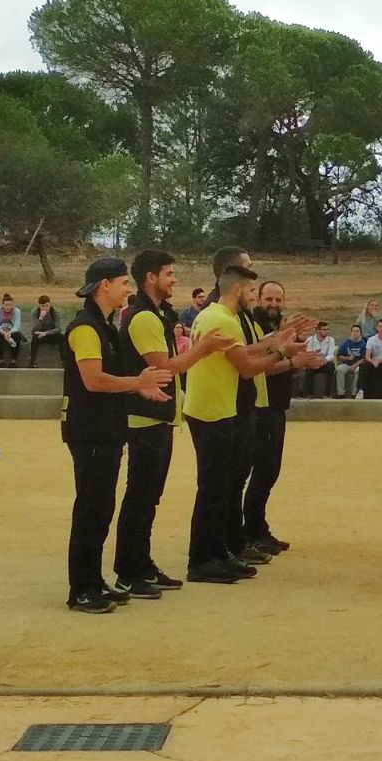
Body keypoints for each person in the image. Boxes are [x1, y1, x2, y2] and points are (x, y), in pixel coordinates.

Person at [112, 249, 234, 600]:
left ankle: (141, 563)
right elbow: (164, 366)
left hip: (157, 416)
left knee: (150, 496)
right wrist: (205, 348)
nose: (174, 280)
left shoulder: (155, 314)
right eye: (168, 273)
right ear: (150, 277)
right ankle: (128, 571)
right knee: (141, 496)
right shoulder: (143, 318)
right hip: (144, 417)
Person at [61, 256, 173, 614]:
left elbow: (110, 379)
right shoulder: (85, 328)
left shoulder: (105, 326)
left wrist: (139, 389)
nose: (129, 289)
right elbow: (92, 380)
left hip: (106, 430)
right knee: (91, 509)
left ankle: (93, 581)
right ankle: (82, 589)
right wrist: (137, 382)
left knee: (102, 508)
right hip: (89, 431)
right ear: (103, 286)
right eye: (124, 283)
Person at [183, 263, 295, 584]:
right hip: (212, 411)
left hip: (215, 408)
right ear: (237, 290)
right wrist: (281, 352)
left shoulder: (217, 316)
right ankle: (202, 559)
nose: (253, 298)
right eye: (250, 291)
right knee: (214, 489)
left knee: (220, 488)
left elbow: (242, 352)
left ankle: (217, 553)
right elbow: (246, 367)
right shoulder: (220, 318)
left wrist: (275, 342)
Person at [247, 280, 323, 556]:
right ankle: (250, 531)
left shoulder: (284, 329)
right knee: (260, 470)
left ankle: (258, 527)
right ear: (258, 299)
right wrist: (293, 362)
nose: (273, 304)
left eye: (278, 300)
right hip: (260, 407)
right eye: (268, 299)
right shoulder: (256, 329)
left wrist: (302, 360)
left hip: (277, 405)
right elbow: (256, 368)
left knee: (270, 471)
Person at [300, 321, 336, 397]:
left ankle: (327, 393)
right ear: (318, 330)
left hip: (324, 363)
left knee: (331, 366)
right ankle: (308, 393)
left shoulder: (331, 340)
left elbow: (331, 355)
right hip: (314, 362)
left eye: (327, 329)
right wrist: (316, 359)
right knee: (309, 367)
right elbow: (309, 353)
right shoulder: (310, 340)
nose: (327, 331)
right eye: (324, 329)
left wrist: (323, 360)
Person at [30, 295, 64, 367]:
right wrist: (40, 319)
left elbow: (58, 328)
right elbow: (34, 330)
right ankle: (32, 361)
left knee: (62, 337)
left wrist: (46, 333)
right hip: (40, 335)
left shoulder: (55, 312)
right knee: (34, 338)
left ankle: (63, 361)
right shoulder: (34, 312)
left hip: (51, 334)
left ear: (50, 304)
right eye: (43, 306)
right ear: (39, 305)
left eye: (47, 306)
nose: (45, 308)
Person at [335, 324, 366, 398]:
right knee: (339, 369)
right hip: (346, 364)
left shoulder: (364, 344)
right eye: (353, 331)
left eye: (357, 331)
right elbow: (339, 356)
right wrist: (347, 358)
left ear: (360, 333)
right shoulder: (345, 343)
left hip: (358, 365)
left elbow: (364, 358)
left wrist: (354, 366)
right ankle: (340, 393)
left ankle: (354, 393)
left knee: (358, 371)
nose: (355, 333)